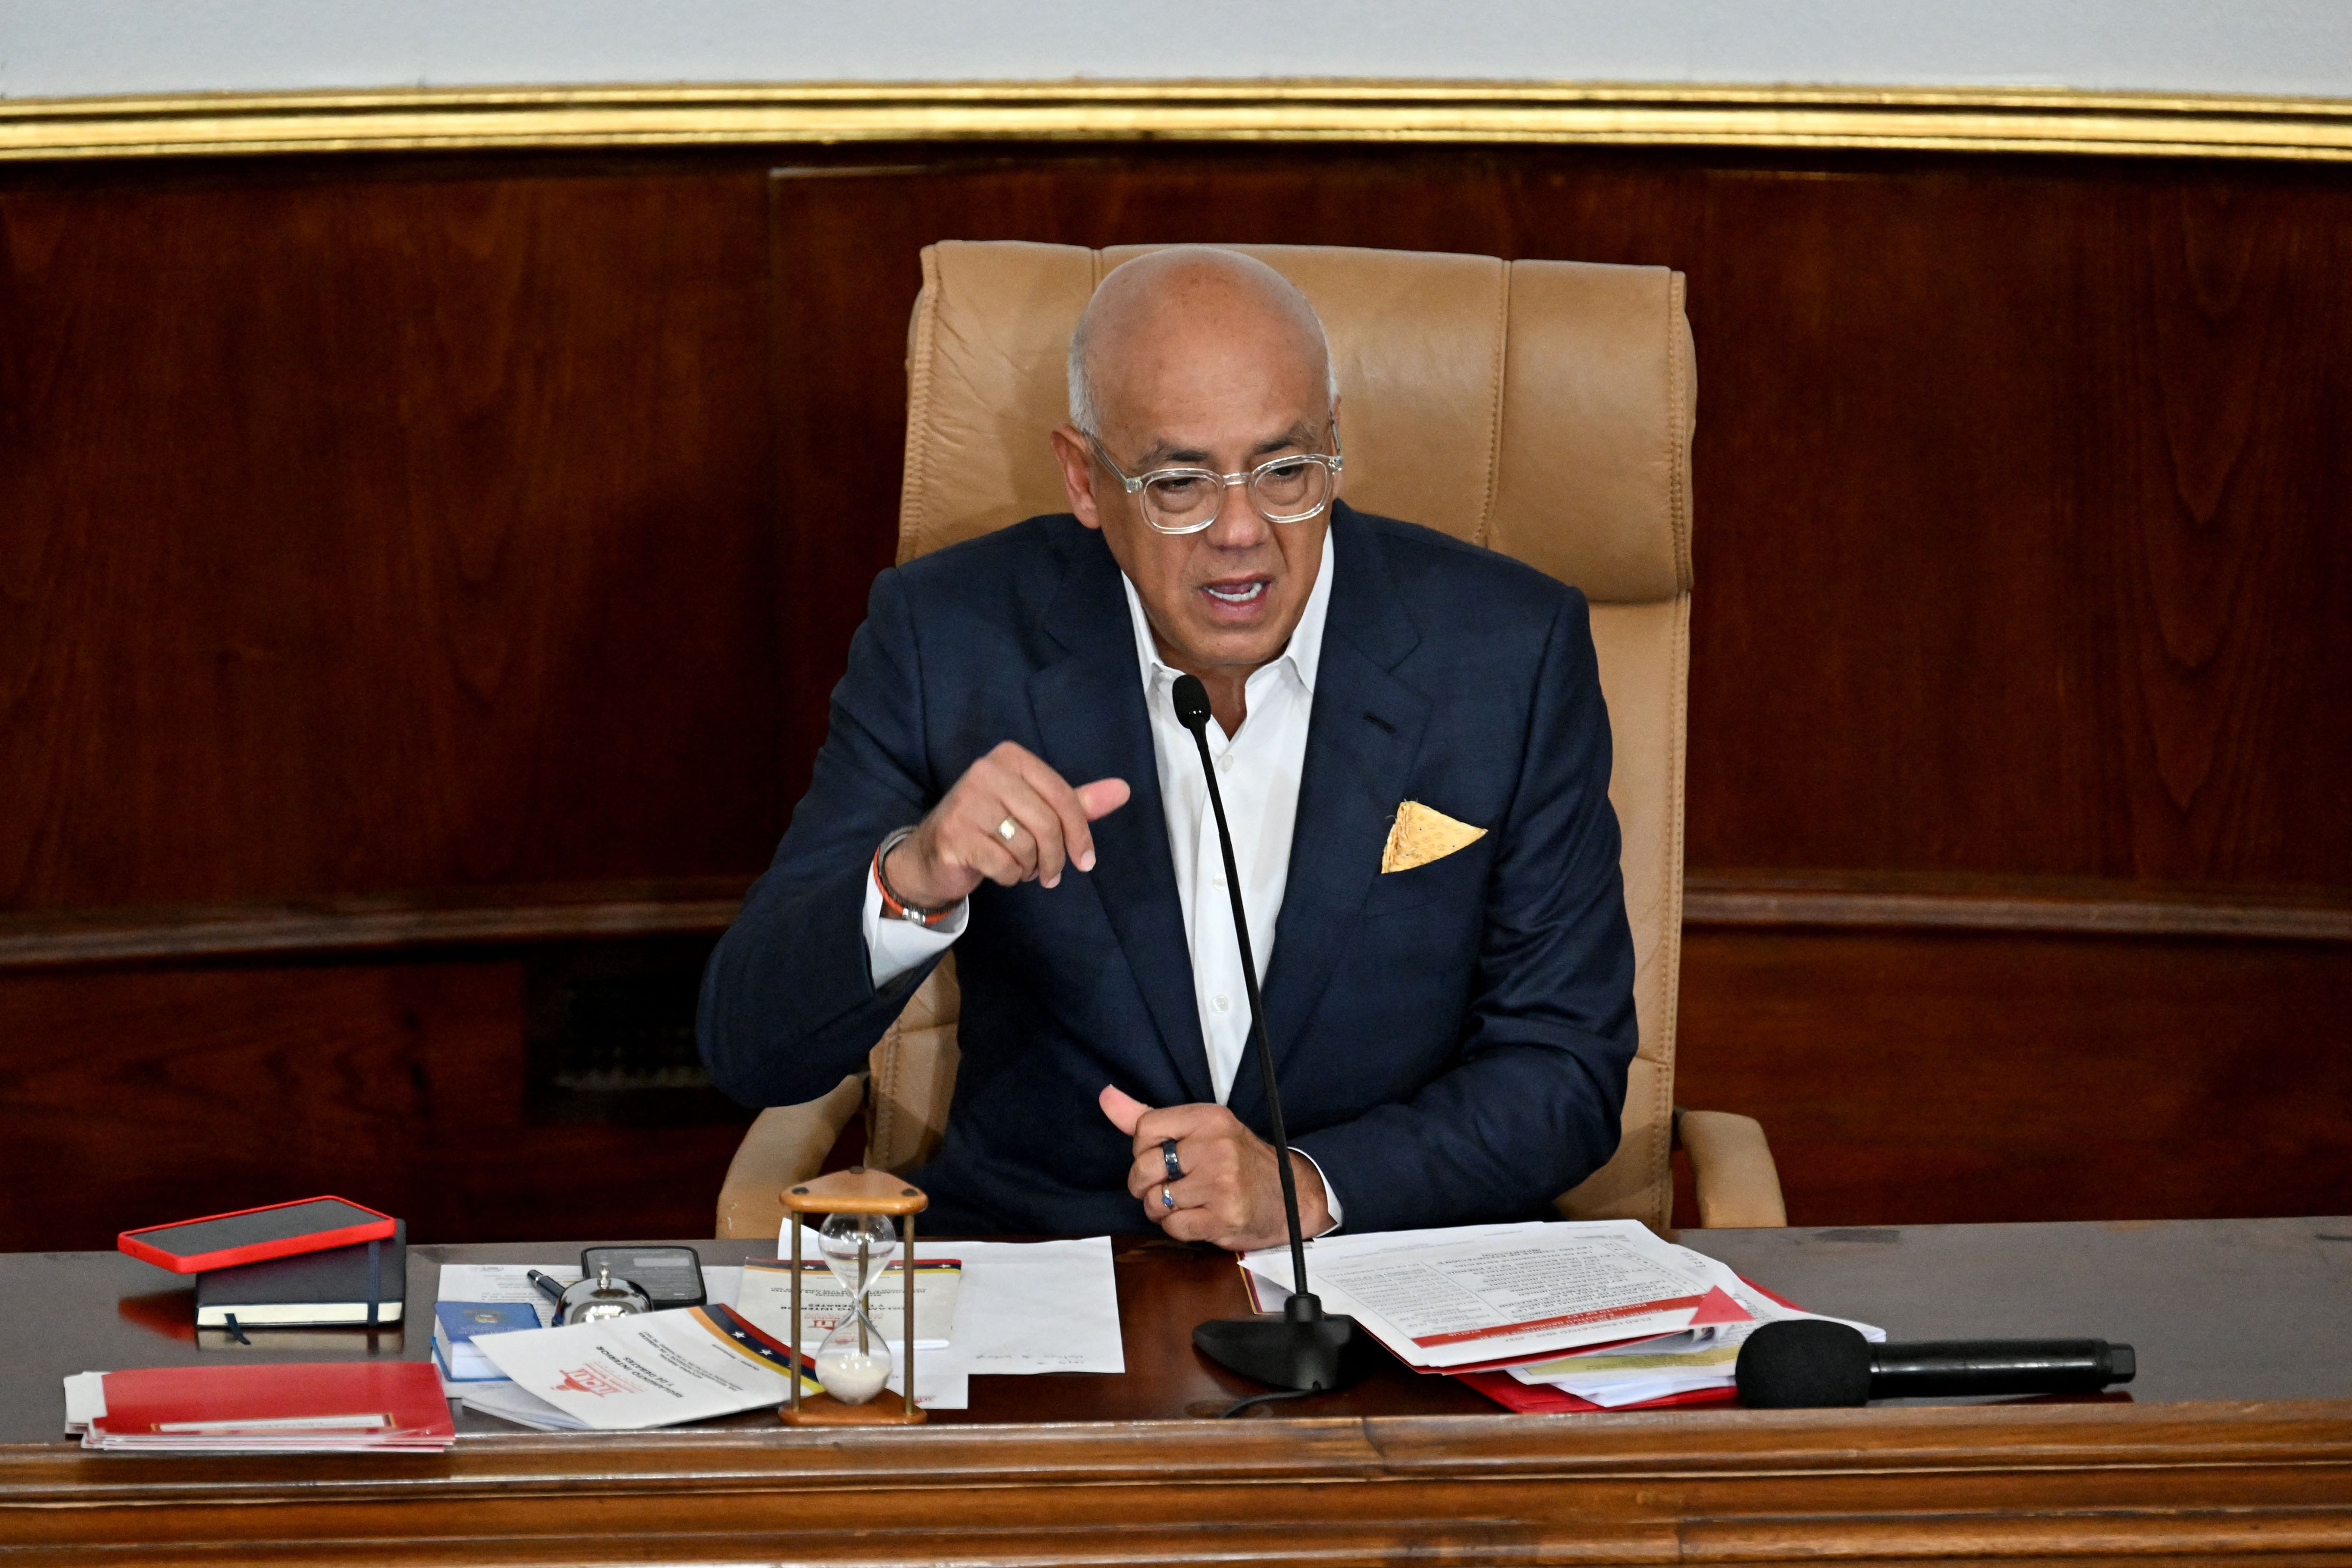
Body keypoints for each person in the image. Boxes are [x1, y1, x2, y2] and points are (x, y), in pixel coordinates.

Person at [699, 246, 1636, 1248]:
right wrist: (914, 878)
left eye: (1285, 471)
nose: (1242, 530)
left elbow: (1565, 1069)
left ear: (1336, 445)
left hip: (1384, 1286)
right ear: (1084, 477)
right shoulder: (950, 638)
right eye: (1180, 482)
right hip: (1053, 1285)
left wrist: (1311, 1186)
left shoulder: (1506, 653)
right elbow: (753, 1048)